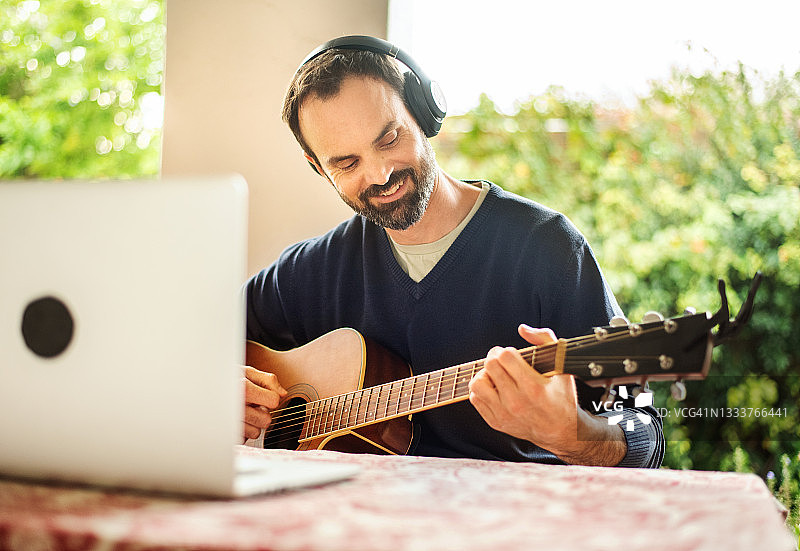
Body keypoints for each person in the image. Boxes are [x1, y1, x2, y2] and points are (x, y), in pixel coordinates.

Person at [242, 36, 664, 468]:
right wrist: (210, 389)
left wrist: (571, 435)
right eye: (347, 164)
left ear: (423, 115)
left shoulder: (545, 247)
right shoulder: (312, 272)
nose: (380, 173)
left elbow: (643, 431)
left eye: (389, 139)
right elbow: (192, 342)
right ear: (319, 167)